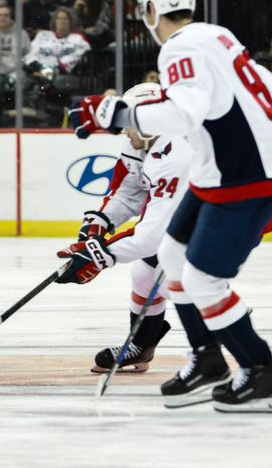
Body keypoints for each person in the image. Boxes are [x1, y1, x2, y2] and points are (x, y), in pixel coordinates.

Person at [75, 0, 272, 413]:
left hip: (249, 171)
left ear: (149, 9)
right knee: (170, 255)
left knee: (203, 278)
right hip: (237, 163)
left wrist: (116, 116)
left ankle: (260, 372)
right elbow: (268, 88)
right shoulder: (216, 35)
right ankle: (207, 361)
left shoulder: (178, 48)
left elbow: (183, 114)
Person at [58, 82, 194, 373]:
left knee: (175, 277)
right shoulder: (143, 141)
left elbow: (152, 236)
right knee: (145, 274)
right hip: (191, 222)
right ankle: (142, 345)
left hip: (225, 220)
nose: (123, 131)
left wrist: (99, 254)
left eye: (129, 123)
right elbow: (128, 192)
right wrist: (100, 223)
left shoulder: (178, 154)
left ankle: (224, 317)